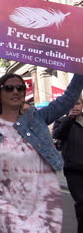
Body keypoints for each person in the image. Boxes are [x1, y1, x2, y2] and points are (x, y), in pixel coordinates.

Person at [0, 73, 83, 232]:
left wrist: (79, 69)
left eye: (20, 88)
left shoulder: (37, 118)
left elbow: (67, 99)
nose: (15, 91)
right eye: (9, 88)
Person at [53, 97, 83, 233]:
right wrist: (69, 118)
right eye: (72, 104)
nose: (75, 106)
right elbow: (57, 134)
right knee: (82, 204)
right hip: (74, 170)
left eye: (77, 103)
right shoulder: (62, 121)